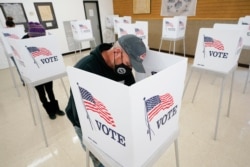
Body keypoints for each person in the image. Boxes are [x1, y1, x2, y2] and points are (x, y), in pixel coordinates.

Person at [65, 34, 146, 167]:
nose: (129, 69)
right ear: (117, 52)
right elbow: (79, 111)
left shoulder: (123, 66)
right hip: (86, 124)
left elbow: (130, 93)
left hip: (112, 125)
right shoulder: (85, 68)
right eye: (128, 64)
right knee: (101, 161)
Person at [22, 22, 65, 119]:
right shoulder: (23, 42)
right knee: (41, 93)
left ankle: (56, 108)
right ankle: (49, 111)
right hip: (35, 73)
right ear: (30, 35)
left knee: (50, 90)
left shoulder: (43, 40)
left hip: (46, 71)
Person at [5, 16, 25, 86]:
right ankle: (24, 79)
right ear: (14, 25)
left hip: (13, 52)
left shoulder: (3, 32)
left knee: (18, 66)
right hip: (18, 51)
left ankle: (23, 80)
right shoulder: (17, 31)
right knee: (23, 65)